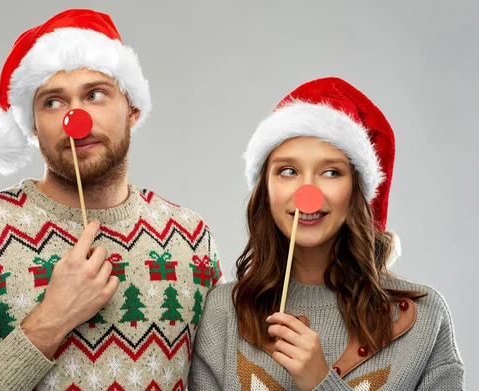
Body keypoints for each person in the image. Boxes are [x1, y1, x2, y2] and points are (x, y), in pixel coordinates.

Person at [0, 9, 224, 391]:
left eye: (96, 94)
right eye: (53, 102)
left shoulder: (191, 239)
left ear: (133, 109)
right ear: (32, 125)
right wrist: (49, 322)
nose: (76, 118)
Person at [188, 77, 464, 390]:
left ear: (357, 191)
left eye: (331, 172)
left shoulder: (424, 320)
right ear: (266, 189)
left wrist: (320, 382)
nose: (308, 192)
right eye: (288, 171)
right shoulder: (223, 313)